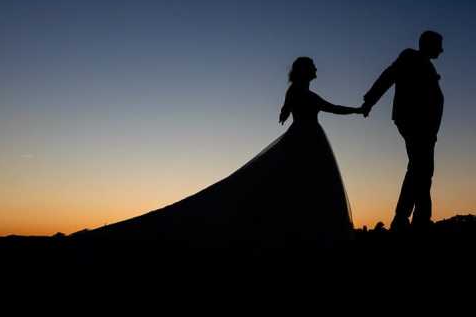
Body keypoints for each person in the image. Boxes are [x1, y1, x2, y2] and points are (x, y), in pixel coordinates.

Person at [83, 56, 362, 251]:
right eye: (313, 66)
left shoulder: (295, 91)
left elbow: (290, 110)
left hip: (305, 138)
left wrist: (288, 111)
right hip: (306, 140)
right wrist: (358, 110)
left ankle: (302, 232)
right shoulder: (301, 92)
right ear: (305, 71)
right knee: (301, 186)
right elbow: (328, 108)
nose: (317, 69)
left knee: (297, 186)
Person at [362, 30, 444, 232]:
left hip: (427, 127)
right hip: (413, 121)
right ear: (428, 44)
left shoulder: (428, 65)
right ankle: (404, 218)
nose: (441, 50)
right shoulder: (409, 56)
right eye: (438, 45)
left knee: (424, 170)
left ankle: (419, 217)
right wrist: (370, 100)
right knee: (419, 168)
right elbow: (388, 76)